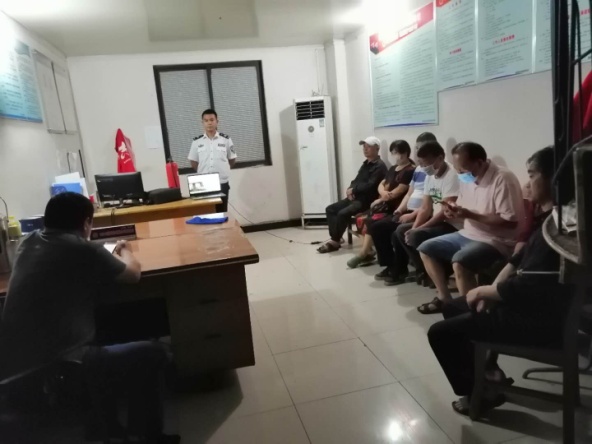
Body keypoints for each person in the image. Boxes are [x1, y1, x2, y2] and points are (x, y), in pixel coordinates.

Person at [0, 193, 179, 444]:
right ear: (86, 223)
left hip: (14, 367)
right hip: (58, 366)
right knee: (155, 353)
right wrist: (124, 249)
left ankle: (104, 425)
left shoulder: (28, 242)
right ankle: (146, 435)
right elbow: (133, 274)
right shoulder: (83, 249)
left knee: (105, 330)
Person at [427, 146, 571, 417]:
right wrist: (493, 288)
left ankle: (480, 393)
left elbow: (532, 286)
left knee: (440, 333)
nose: (526, 184)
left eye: (532, 175)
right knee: (454, 307)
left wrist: (490, 293)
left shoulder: (560, 229)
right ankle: (485, 373)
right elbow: (520, 260)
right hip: (525, 302)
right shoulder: (551, 218)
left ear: (554, 177)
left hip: (537, 319)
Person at [416, 142, 524, 314]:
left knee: (460, 262)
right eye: (457, 169)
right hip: (468, 232)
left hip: (497, 240)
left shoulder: (502, 178)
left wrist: (470, 215)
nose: (460, 173)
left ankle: (470, 312)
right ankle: (444, 298)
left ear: (479, 162)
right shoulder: (468, 177)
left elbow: (510, 222)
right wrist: (452, 210)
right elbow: (462, 206)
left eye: (463, 169)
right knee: (426, 248)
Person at [380, 140, 461, 286]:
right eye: (421, 164)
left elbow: (445, 212)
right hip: (438, 220)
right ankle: (425, 271)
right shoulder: (430, 175)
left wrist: (419, 228)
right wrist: (414, 227)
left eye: (426, 164)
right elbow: (425, 207)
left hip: (452, 224)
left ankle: (441, 271)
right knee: (401, 232)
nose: (424, 168)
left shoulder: (452, 176)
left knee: (415, 235)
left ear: (440, 158)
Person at [369, 132, 436, 279]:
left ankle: (401, 269)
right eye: (417, 148)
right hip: (408, 211)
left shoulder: (432, 171)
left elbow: (431, 204)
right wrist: (399, 211)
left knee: (396, 232)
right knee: (376, 226)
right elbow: (409, 193)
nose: (418, 152)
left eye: (421, 148)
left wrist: (412, 215)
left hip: (421, 213)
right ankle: (390, 265)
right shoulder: (418, 169)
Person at [346, 140, 415, 268]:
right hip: (384, 204)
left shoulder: (410, 170)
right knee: (360, 217)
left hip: (395, 207)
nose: (395, 155)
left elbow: (399, 191)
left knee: (372, 220)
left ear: (405, 153)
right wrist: (383, 193)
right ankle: (368, 251)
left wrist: (381, 199)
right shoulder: (393, 168)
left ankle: (363, 253)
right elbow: (381, 184)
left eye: (397, 153)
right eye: (393, 152)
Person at [317, 136, 387, 253]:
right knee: (330, 209)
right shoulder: (365, 164)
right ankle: (336, 238)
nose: (365, 149)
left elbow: (370, 185)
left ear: (377, 148)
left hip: (365, 201)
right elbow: (356, 180)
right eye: (364, 147)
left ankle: (334, 241)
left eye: (368, 147)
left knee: (342, 213)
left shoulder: (380, 166)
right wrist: (350, 189)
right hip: (355, 198)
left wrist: (354, 191)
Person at [187, 109, 237, 212]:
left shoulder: (226, 139)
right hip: (204, 183)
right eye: (206, 120)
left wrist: (223, 169)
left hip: (221, 182)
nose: (209, 123)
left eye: (211, 120)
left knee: (221, 212)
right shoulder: (197, 141)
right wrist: (203, 173)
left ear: (217, 121)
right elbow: (193, 162)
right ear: (202, 123)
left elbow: (232, 159)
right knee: (206, 212)